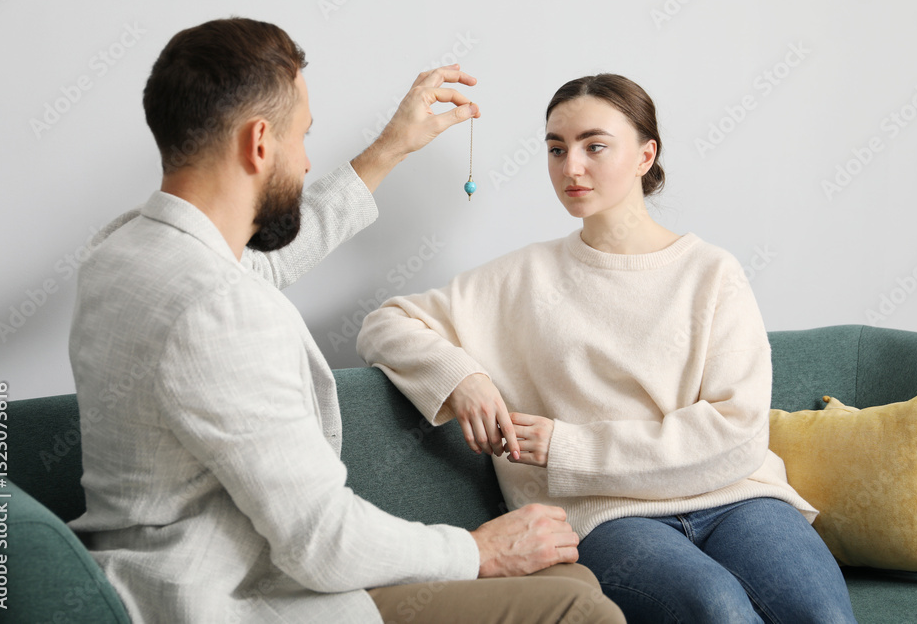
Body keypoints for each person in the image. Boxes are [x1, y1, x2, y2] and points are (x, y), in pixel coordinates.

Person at [67, 18, 625, 624]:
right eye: (303, 136)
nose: (308, 162)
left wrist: (390, 149)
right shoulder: (220, 309)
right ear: (259, 142)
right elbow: (322, 544)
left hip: (145, 577)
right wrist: (477, 549)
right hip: (228, 603)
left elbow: (257, 265)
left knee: (570, 575)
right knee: (577, 606)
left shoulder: (121, 252)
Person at [357, 73, 859, 623]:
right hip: (604, 516)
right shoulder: (521, 277)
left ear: (646, 155)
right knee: (717, 608)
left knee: (824, 617)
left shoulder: (712, 273)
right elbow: (386, 324)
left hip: (739, 497)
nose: (570, 167)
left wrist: (569, 448)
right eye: (556, 149)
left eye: (594, 146)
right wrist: (462, 378)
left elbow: (737, 432)